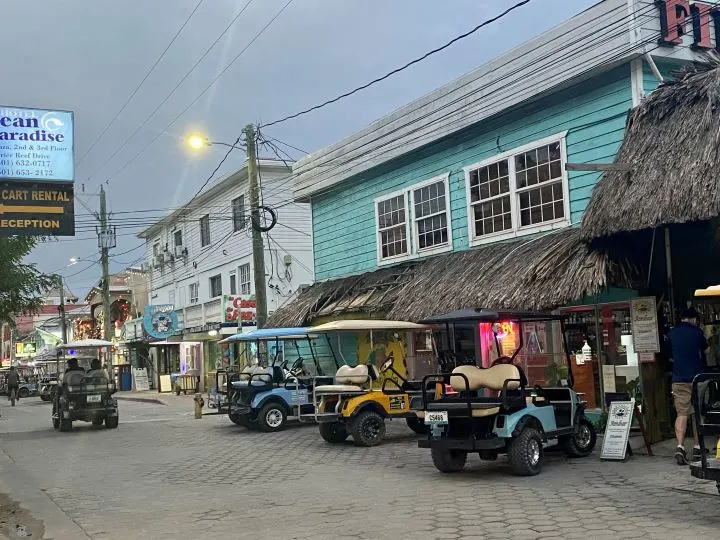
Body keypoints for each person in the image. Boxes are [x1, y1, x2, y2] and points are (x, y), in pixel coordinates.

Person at [669, 307, 710, 465]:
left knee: (682, 413)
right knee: (697, 411)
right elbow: (707, 350)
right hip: (698, 378)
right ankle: (698, 446)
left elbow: (668, 354)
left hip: (679, 378)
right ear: (693, 319)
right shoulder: (697, 332)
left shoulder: (672, 333)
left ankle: (680, 447)